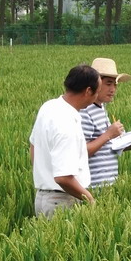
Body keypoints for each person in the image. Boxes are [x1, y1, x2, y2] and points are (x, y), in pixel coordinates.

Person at [30, 64, 100, 217]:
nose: (97, 96)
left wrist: (44, 173)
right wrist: (89, 198)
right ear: (88, 91)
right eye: (97, 91)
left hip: (43, 198)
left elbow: (33, 145)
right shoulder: (66, 123)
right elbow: (63, 178)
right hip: (62, 201)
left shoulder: (49, 107)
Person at [80, 58, 131, 187]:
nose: (113, 89)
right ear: (95, 84)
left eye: (115, 85)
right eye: (108, 84)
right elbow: (81, 152)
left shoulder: (101, 108)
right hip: (93, 187)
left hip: (108, 185)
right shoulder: (84, 111)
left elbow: (108, 147)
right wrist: (109, 134)